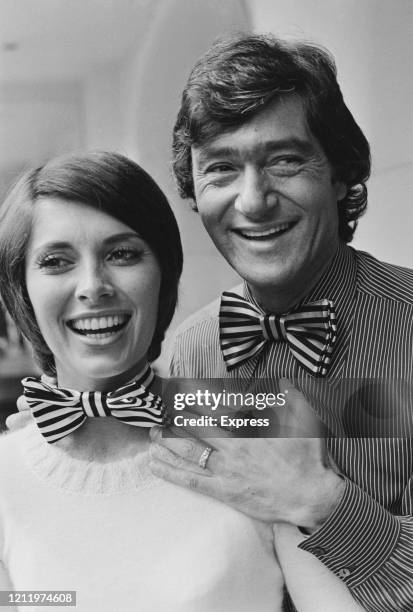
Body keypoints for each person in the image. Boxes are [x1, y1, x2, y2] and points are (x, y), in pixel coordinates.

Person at [148, 33, 413, 611]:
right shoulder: (191, 353)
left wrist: (325, 504)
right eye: (220, 169)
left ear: (341, 175)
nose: (252, 199)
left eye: (285, 160)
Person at [0, 151, 289, 612]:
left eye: (122, 253)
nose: (92, 285)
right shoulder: (6, 475)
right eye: (56, 261)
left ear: (163, 275)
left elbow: (376, 407)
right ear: (22, 290)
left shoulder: (254, 421)